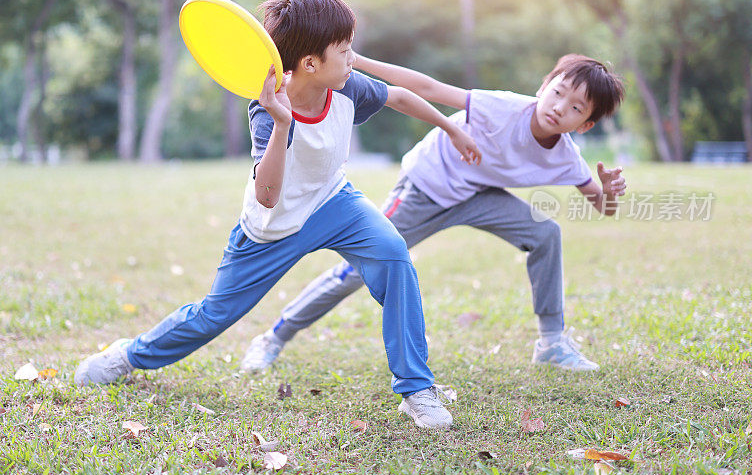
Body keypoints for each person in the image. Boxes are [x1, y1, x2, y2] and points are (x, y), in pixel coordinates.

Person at [74, 0, 482, 430]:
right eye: (344, 51)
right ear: (310, 63)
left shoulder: (345, 87)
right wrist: (283, 123)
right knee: (215, 316)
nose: (354, 59)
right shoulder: (268, 111)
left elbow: (400, 97)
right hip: (274, 224)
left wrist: (450, 129)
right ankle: (127, 356)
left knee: (394, 255)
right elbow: (268, 195)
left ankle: (416, 388)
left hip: (333, 201)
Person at [241, 53, 626, 374]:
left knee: (546, 233)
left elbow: (602, 206)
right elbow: (427, 88)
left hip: (478, 195)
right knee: (358, 270)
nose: (560, 108)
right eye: (557, 93)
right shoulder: (502, 107)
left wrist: (608, 192)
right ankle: (274, 336)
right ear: (543, 88)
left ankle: (552, 342)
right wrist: (357, 61)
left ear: (586, 124)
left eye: (576, 107)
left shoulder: (566, 156)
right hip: (426, 185)